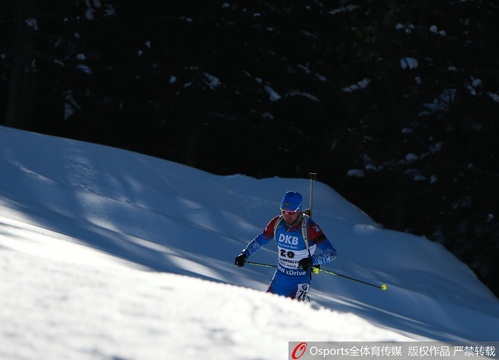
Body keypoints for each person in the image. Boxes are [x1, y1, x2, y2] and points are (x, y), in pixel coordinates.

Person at [234, 191, 337, 301]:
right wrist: (245, 254)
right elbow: (260, 241)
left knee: (292, 314)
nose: (287, 216)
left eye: (291, 213)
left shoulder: (309, 227)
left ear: (299, 210)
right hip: (279, 279)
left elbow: (331, 252)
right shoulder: (276, 223)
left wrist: (312, 261)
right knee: (266, 310)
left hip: (299, 281)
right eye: (284, 212)